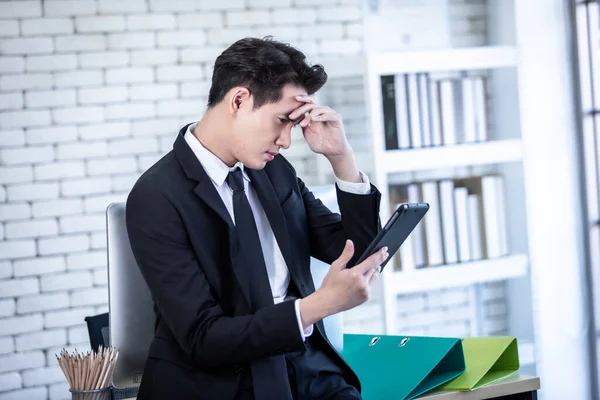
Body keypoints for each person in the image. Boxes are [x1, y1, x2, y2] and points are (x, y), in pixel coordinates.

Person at [125, 36, 388, 400]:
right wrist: (319, 305)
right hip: (221, 383)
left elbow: (356, 256)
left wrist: (341, 156)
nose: (285, 141)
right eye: (281, 121)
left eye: (292, 126)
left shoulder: (274, 171)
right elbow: (205, 338)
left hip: (306, 370)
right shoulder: (156, 197)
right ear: (238, 100)